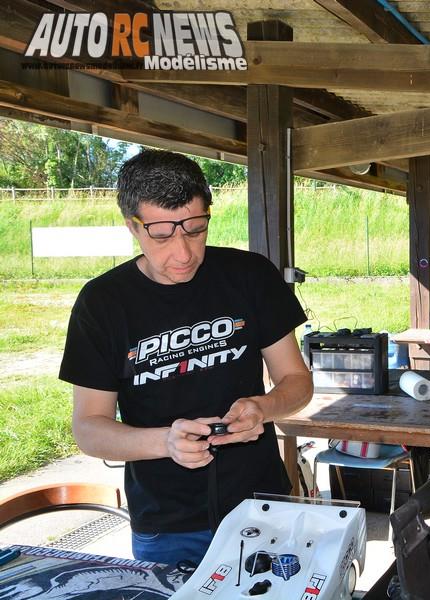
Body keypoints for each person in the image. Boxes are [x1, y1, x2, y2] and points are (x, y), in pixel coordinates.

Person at [59, 150, 313, 565]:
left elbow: (297, 382)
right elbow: (89, 429)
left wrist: (263, 408)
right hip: (166, 521)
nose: (183, 253)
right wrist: (166, 442)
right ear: (133, 227)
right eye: (161, 236)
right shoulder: (102, 303)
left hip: (262, 502)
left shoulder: (250, 276)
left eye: (196, 230)